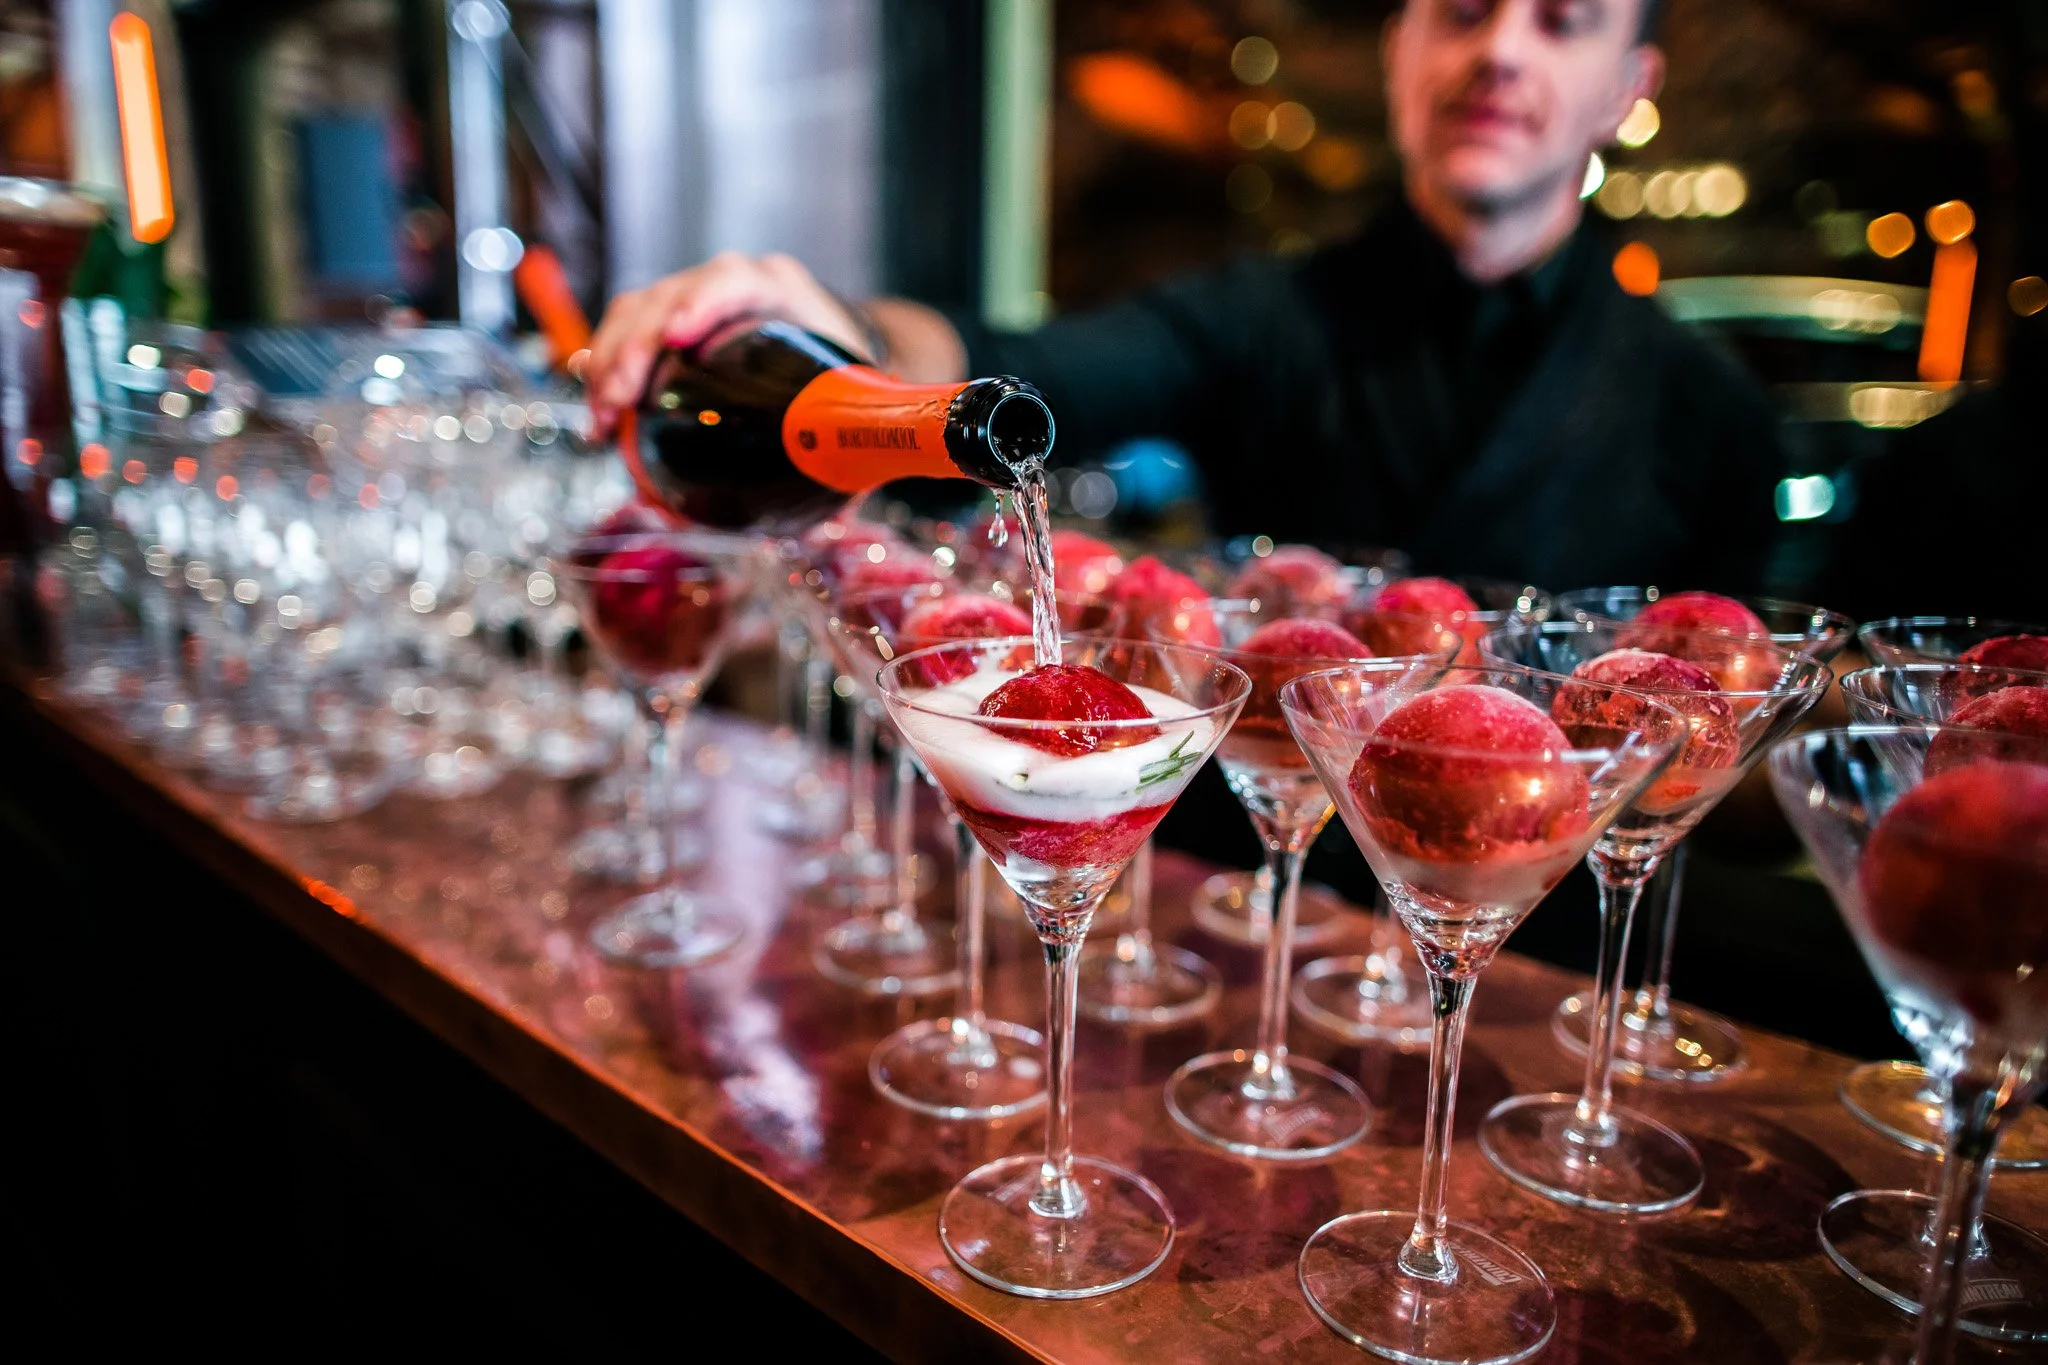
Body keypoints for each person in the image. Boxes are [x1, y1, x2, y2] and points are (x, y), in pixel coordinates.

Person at [586, 0, 1786, 592]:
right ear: (1401, 45)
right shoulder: (1262, 315)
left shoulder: (1709, 412)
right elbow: (1008, 364)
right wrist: (829, 332)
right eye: (1462, 9)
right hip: (1271, 915)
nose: (1503, 52)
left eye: (1561, 20)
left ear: (1627, 86)